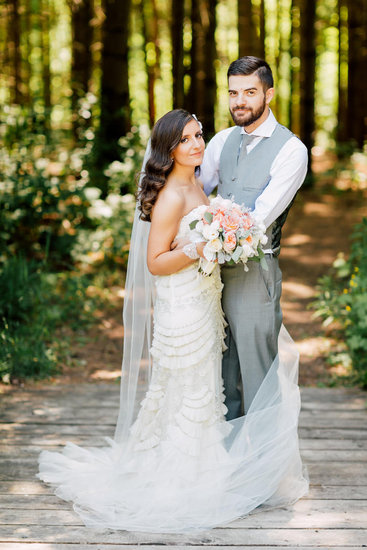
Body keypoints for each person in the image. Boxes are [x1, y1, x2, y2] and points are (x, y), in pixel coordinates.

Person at [37, 109, 308, 533]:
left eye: (199, 135)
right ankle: (186, 474)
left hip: (205, 302)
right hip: (181, 308)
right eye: (186, 140)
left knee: (203, 388)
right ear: (169, 149)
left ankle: (208, 463)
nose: (198, 144)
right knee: (188, 388)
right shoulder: (170, 195)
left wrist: (218, 237)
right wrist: (202, 246)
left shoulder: (197, 183)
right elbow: (156, 262)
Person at [201, 56, 308, 420]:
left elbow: (259, 219)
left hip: (254, 273)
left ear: (269, 94)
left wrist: (204, 233)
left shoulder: (291, 151)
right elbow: (195, 193)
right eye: (233, 93)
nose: (239, 102)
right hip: (209, 276)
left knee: (258, 379)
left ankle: (263, 473)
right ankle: (226, 467)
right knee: (219, 377)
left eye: (249, 92)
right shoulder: (220, 141)